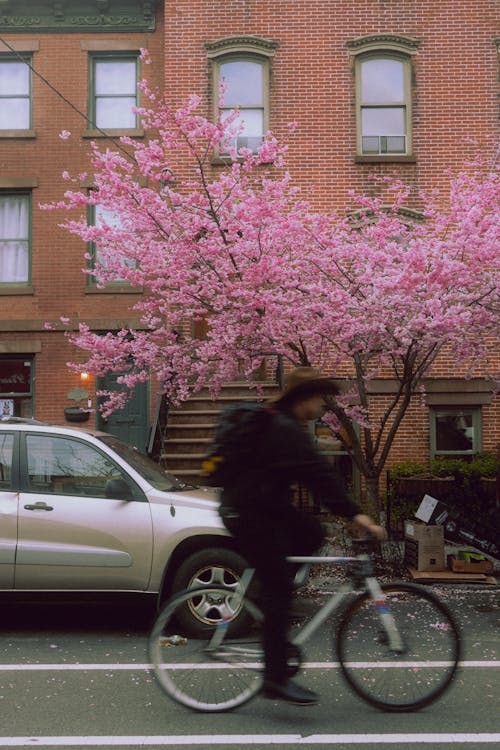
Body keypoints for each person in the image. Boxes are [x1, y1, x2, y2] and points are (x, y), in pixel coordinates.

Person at [219, 366, 386, 706]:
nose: (324, 405)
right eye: (320, 398)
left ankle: (276, 593)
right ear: (304, 398)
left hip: (263, 508)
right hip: (248, 514)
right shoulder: (283, 429)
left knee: (312, 531)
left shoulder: (283, 423)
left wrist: (347, 514)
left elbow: (313, 477)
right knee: (277, 585)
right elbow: (319, 477)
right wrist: (357, 516)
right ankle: (274, 678)